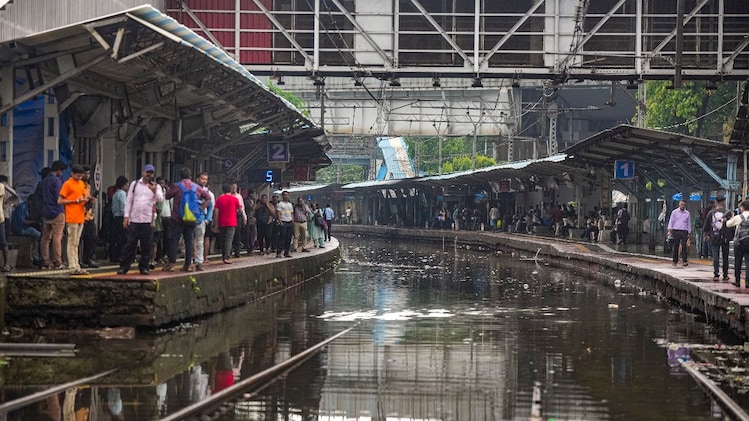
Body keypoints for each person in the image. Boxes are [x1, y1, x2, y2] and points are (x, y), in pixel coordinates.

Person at [117, 164, 163, 275]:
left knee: (146, 244)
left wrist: (154, 191)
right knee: (130, 243)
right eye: (147, 172)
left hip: (148, 219)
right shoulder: (135, 184)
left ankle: (144, 267)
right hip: (135, 219)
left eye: (151, 173)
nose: (149, 175)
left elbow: (160, 199)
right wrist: (126, 216)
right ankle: (124, 266)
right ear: (143, 172)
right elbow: (129, 201)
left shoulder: (156, 186)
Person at [164, 168, 211, 272]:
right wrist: (201, 208)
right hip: (192, 218)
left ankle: (172, 264)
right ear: (191, 176)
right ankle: (188, 265)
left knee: (174, 240)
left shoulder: (177, 186)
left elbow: (167, 196)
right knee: (189, 241)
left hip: (177, 218)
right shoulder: (197, 187)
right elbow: (208, 198)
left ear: (180, 176)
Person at [59, 164, 90, 275]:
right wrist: (74, 201)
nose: (79, 178)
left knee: (76, 242)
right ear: (72, 174)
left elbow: (83, 197)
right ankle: (72, 265)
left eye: (81, 176)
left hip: (80, 216)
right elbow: (60, 201)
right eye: (77, 176)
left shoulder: (81, 184)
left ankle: (77, 265)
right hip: (71, 216)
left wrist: (86, 200)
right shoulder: (67, 184)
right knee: (72, 242)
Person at [40, 160, 67, 270]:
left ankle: (45, 261)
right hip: (57, 211)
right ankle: (57, 261)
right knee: (57, 237)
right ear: (59, 170)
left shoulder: (44, 181)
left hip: (46, 211)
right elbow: (58, 197)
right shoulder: (57, 181)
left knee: (45, 238)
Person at [702, 196, 732, 282]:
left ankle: (716, 274)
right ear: (724, 202)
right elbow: (731, 225)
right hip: (725, 237)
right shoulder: (728, 212)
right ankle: (725, 274)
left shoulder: (711, 213)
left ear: (716, 202)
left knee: (715, 256)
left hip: (714, 237)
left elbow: (706, 225)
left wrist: (706, 235)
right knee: (725, 256)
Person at [213, 183, 242, 264]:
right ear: (230, 190)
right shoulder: (235, 199)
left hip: (222, 222)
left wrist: (216, 223)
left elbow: (216, 212)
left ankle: (223, 255)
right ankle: (227, 257)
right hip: (232, 222)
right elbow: (240, 209)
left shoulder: (219, 199)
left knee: (223, 240)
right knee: (229, 240)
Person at [193, 172, 214, 272]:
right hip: (190, 219)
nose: (204, 181)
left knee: (200, 241)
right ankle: (191, 259)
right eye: (202, 179)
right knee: (190, 240)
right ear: (197, 179)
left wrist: (207, 219)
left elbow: (211, 207)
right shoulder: (192, 190)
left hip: (202, 219)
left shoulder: (209, 193)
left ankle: (199, 262)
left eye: (206, 179)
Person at [80, 165, 100, 269]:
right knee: (80, 239)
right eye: (85, 173)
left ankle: (89, 258)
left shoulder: (88, 186)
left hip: (89, 215)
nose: (87, 175)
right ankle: (80, 259)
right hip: (80, 214)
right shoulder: (79, 185)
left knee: (92, 237)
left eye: (88, 173)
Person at [728, 201, 749, 287]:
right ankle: (748, 282)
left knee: (738, 261)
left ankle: (737, 281)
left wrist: (732, 218)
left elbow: (728, 224)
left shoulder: (738, 217)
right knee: (748, 262)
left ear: (742, 207)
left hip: (739, 243)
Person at [109, 176, 128, 263]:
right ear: (123, 185)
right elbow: (124, 207)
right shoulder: (122, 194)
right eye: (127, 185)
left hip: (115, 218)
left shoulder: (115, 194)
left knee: (115, 238)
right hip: (121, 218)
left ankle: (114, 256)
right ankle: (120, 255)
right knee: (123, 238)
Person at [667, 199, 692, 267]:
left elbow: (688, 223)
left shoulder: (687, 213)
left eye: (683, 205)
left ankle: (684, 261)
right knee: (676, 246)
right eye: (681, 204)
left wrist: (689, 232)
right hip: (676, 230)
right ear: (679, 204)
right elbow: (671, 221)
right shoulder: (674, 212)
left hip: (684, 231)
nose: (682, 206)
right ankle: (675, 261)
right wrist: (670, 230)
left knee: (684, 246)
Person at [275, 191, 294, 258]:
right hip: (283, 221)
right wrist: (280, 221)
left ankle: (287, 252)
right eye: (285, 195)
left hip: (290, 222)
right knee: (282, 236)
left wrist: (292, 221)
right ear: (282, 196)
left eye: (287, 195)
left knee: (288, 237)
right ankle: (279, 252)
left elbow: (291, 213)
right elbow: (278, 213)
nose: (286, 196)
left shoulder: (290, 204)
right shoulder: (280, 204)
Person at [230, 182, 246, 258]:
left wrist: (244, 217)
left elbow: (242, 207)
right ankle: (229, 251)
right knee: (229, 235)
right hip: (229, 215)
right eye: (232, 187)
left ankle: (237, 251)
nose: (234, 189)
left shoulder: (239, 196)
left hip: (237, 216)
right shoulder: (228, 195)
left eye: (235, 187)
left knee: (237, 234)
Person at [0, 176, 12, 272]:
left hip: (1, 218)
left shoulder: (2, 187)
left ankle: (6, 264)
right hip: (4, 216)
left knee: (3, 242)